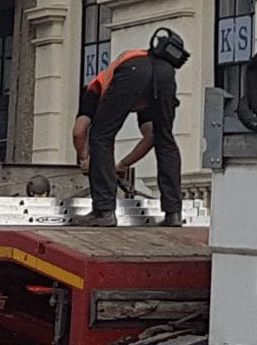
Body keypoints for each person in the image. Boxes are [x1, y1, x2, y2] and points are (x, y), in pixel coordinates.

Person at [76, 27, 189, 226]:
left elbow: (79, 131)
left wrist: (85, 159)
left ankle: (104, 211)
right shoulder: (151, 80)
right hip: (166, 75)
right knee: (165, 139)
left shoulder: (96, 86)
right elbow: (150, 136)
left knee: (100, 136)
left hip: (132, 72)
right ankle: (174, 213)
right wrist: (123, 164)